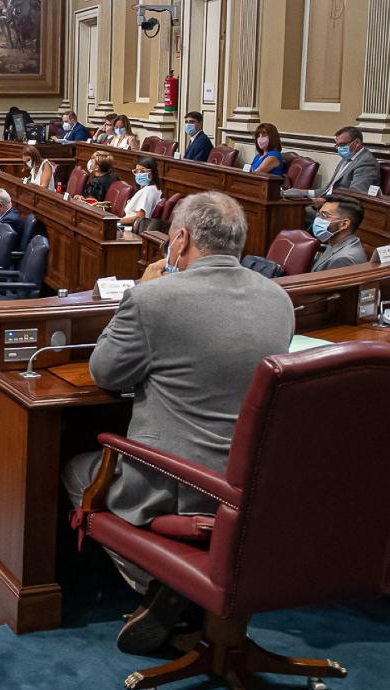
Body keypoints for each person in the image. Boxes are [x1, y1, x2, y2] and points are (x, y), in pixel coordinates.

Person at [62, 191, 294, 655]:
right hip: (253, 485)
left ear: (181, 239)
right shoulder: (279, 299)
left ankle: (162, 579)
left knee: (76, 471)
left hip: (176, 484)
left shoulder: (152, 298)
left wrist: (142, 287)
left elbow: (106, 373)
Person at [285, 127, 380, 212]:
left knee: (292, 210)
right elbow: (330, 189)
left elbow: (355, 194)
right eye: (337, 145)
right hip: (327, 199)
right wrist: (305, 193)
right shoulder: (347, 158)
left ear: (357, 142)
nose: (339, 149)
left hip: (340, 209)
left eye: (342, 144)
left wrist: (324, 201)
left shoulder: (366, 162)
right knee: (289, 195)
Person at [310, 197, 368, 272]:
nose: (318, 219)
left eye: (324, 215)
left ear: (344, 224)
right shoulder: (337, 242)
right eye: (319, 214)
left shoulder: (344, 259)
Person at [119, 157, 162, 226]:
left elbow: (139, 218)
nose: (139, 174)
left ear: (152, 172)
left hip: (130, 228)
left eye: (143, 171)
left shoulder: (148, 191)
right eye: (137, 171)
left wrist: (116, 221)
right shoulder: (154, 188)